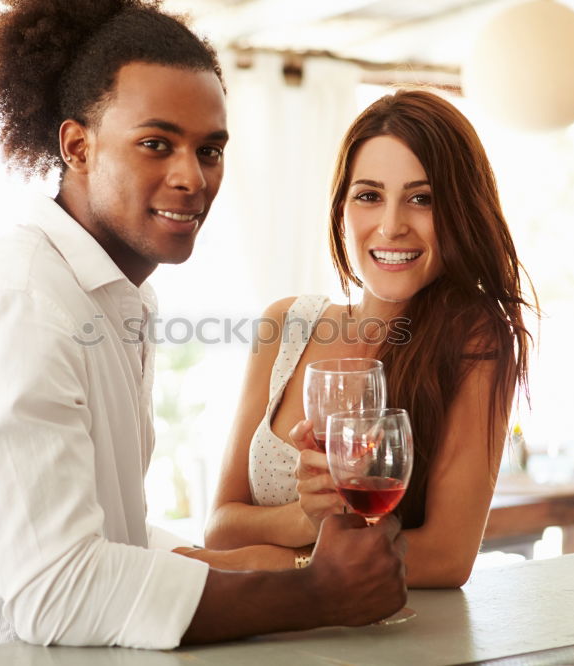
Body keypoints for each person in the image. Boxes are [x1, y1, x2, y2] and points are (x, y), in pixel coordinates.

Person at [0, 0, 407, 653]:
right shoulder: (22, 304)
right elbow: (60, 592)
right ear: (77, 146)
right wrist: (315, 595)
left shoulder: (116, 299)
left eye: (210, 149)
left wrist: (262, 563)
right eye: (156, 143)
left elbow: (111, 544)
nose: (192, 177)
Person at [205, 89, 536, 587]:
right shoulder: (287, 325)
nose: (391, 225)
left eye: (422, 199)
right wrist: (305, 518)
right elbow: (221, 530)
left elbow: (447, 559)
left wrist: (285, 562)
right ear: (342, 207)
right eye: (369, 196)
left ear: (462, 211)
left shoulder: (476, 340)